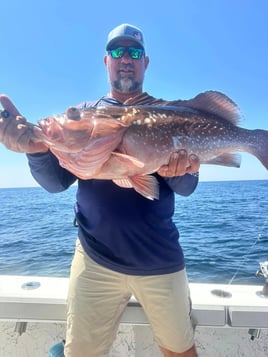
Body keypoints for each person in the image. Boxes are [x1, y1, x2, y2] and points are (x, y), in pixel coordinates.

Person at [0, 24, 200, 357]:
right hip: (95, 260)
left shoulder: (167, 114)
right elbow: (54, 183)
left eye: (134, 53)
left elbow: (188, 186)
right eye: (118, 52)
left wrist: (180, 171)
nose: (126, 59)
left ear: (145, 63)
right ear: (106, 61)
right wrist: (36, 149)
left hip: (159, 258)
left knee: (180, 351)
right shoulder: (83, 116)